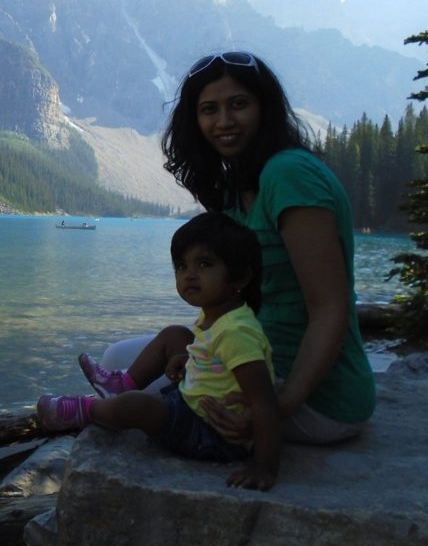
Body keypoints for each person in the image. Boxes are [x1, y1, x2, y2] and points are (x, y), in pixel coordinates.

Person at [92, 51, 375, 445]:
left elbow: (331, 306)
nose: (224, 121)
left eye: (238, 104)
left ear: (265, 108)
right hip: (253, 360)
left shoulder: (288, 174)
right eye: (209, 109)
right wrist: (196, 354)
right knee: (117, 361)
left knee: (129, 400)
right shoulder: (235, 188)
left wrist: (278, 408)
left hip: (317, 398)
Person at [38, 212, 280, 490]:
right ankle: (120, 384)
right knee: (174, 336)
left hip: (211, 432)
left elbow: (264, 402)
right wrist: (189, 359)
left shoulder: (237, 332)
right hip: (198, 401)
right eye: (181, 266)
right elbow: (216, 358)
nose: (189, 274)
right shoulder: (218, 316)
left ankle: (85, 410)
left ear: (240, 277)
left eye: (204, 264)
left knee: (138, 405)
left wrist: (264, 466)